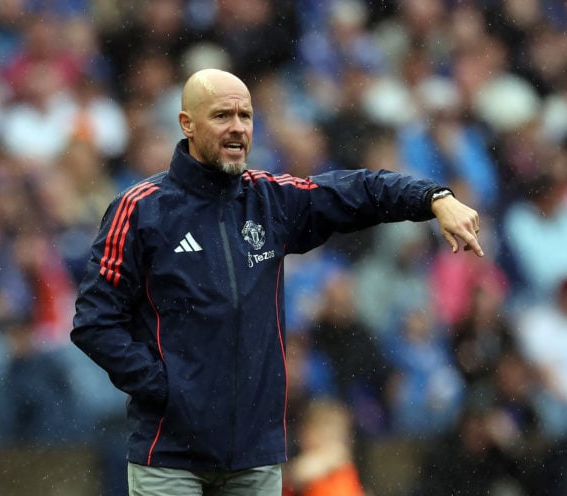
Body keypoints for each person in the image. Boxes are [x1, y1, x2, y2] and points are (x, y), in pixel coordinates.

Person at [71, 68, 483, 496]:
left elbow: (359, 191)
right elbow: (94, 321)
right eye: (221, 116)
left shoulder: (270, 200)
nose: (237, 128)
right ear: (186, 124)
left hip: (255, 456)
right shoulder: (139, 210)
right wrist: (166, 390)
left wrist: (435, 198)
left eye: (245, 116)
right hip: (170, 455)